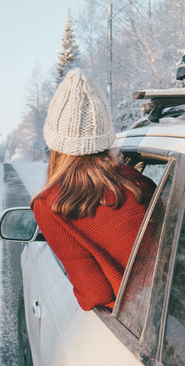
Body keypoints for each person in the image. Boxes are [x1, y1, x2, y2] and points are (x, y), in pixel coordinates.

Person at [31, 69, 156, 311]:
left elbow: (96, 294)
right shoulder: (139, 184)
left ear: (55, 143)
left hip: (133, 318)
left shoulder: (50, 205)